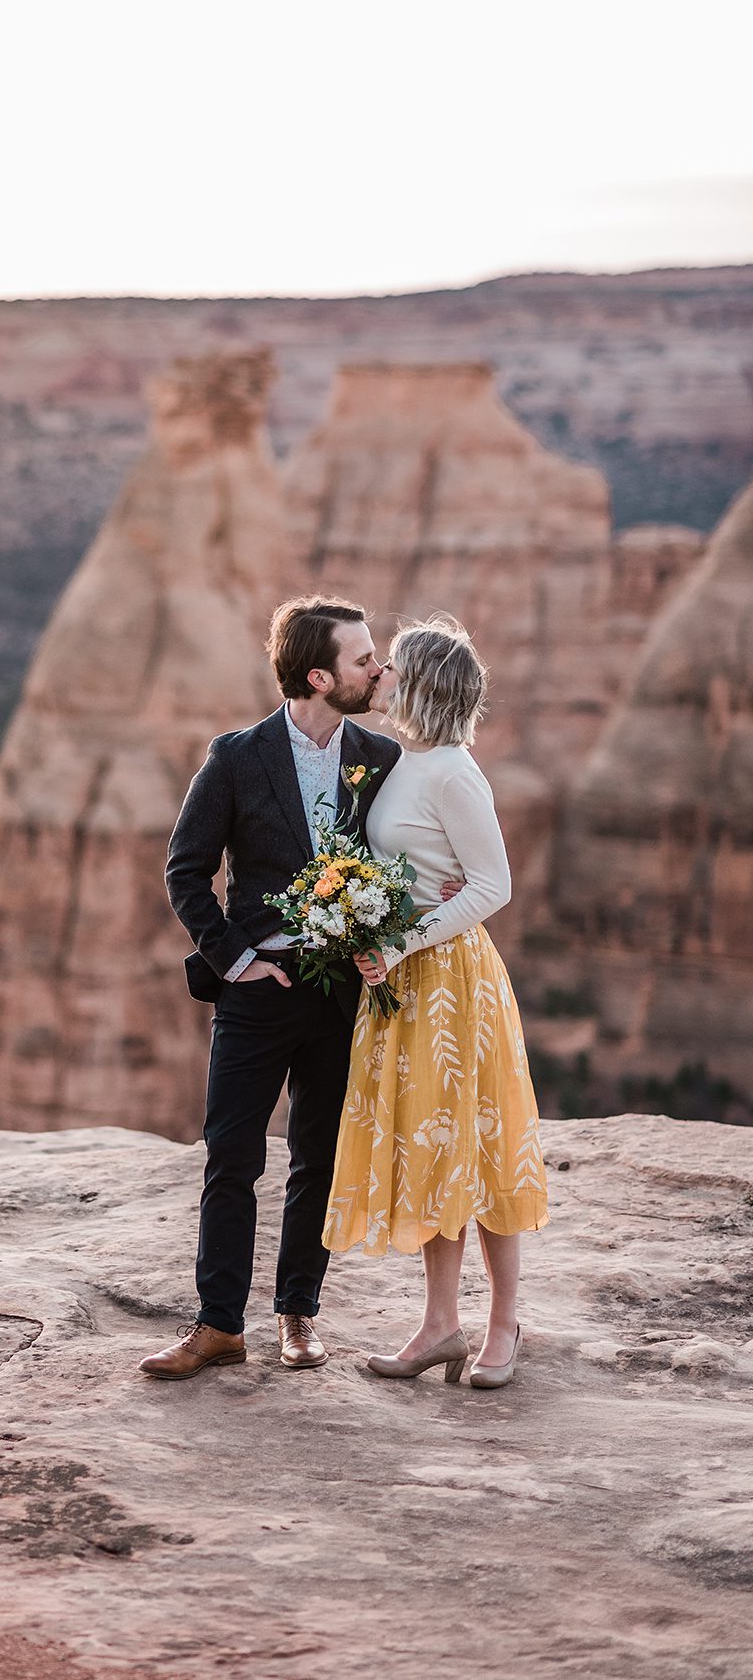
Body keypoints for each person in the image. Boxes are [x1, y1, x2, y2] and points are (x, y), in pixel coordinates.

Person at [141, 596, 403, 1379]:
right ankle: (218, 1325)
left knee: (317, 1156)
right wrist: (237, 961)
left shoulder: (380, 760)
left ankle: (299, 1314)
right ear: (319, 676)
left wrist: (379, 943)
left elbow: (400, 873)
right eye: (363, 660)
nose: (377, 669)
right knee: (231, 1156)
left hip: (340, 995)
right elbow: (186, 872)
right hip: (258, 990)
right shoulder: (236, 757)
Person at [323, 615, 549, 1391]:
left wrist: (399, 940)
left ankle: (505, 1322)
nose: (377, 674)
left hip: (452, 984)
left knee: (484, 1149)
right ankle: (440, 1326)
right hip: (407, 983)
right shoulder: (403, 760)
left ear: (418, 685)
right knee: (435, 1149)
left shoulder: (454, 771)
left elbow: (493, 886)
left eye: (391, 667)